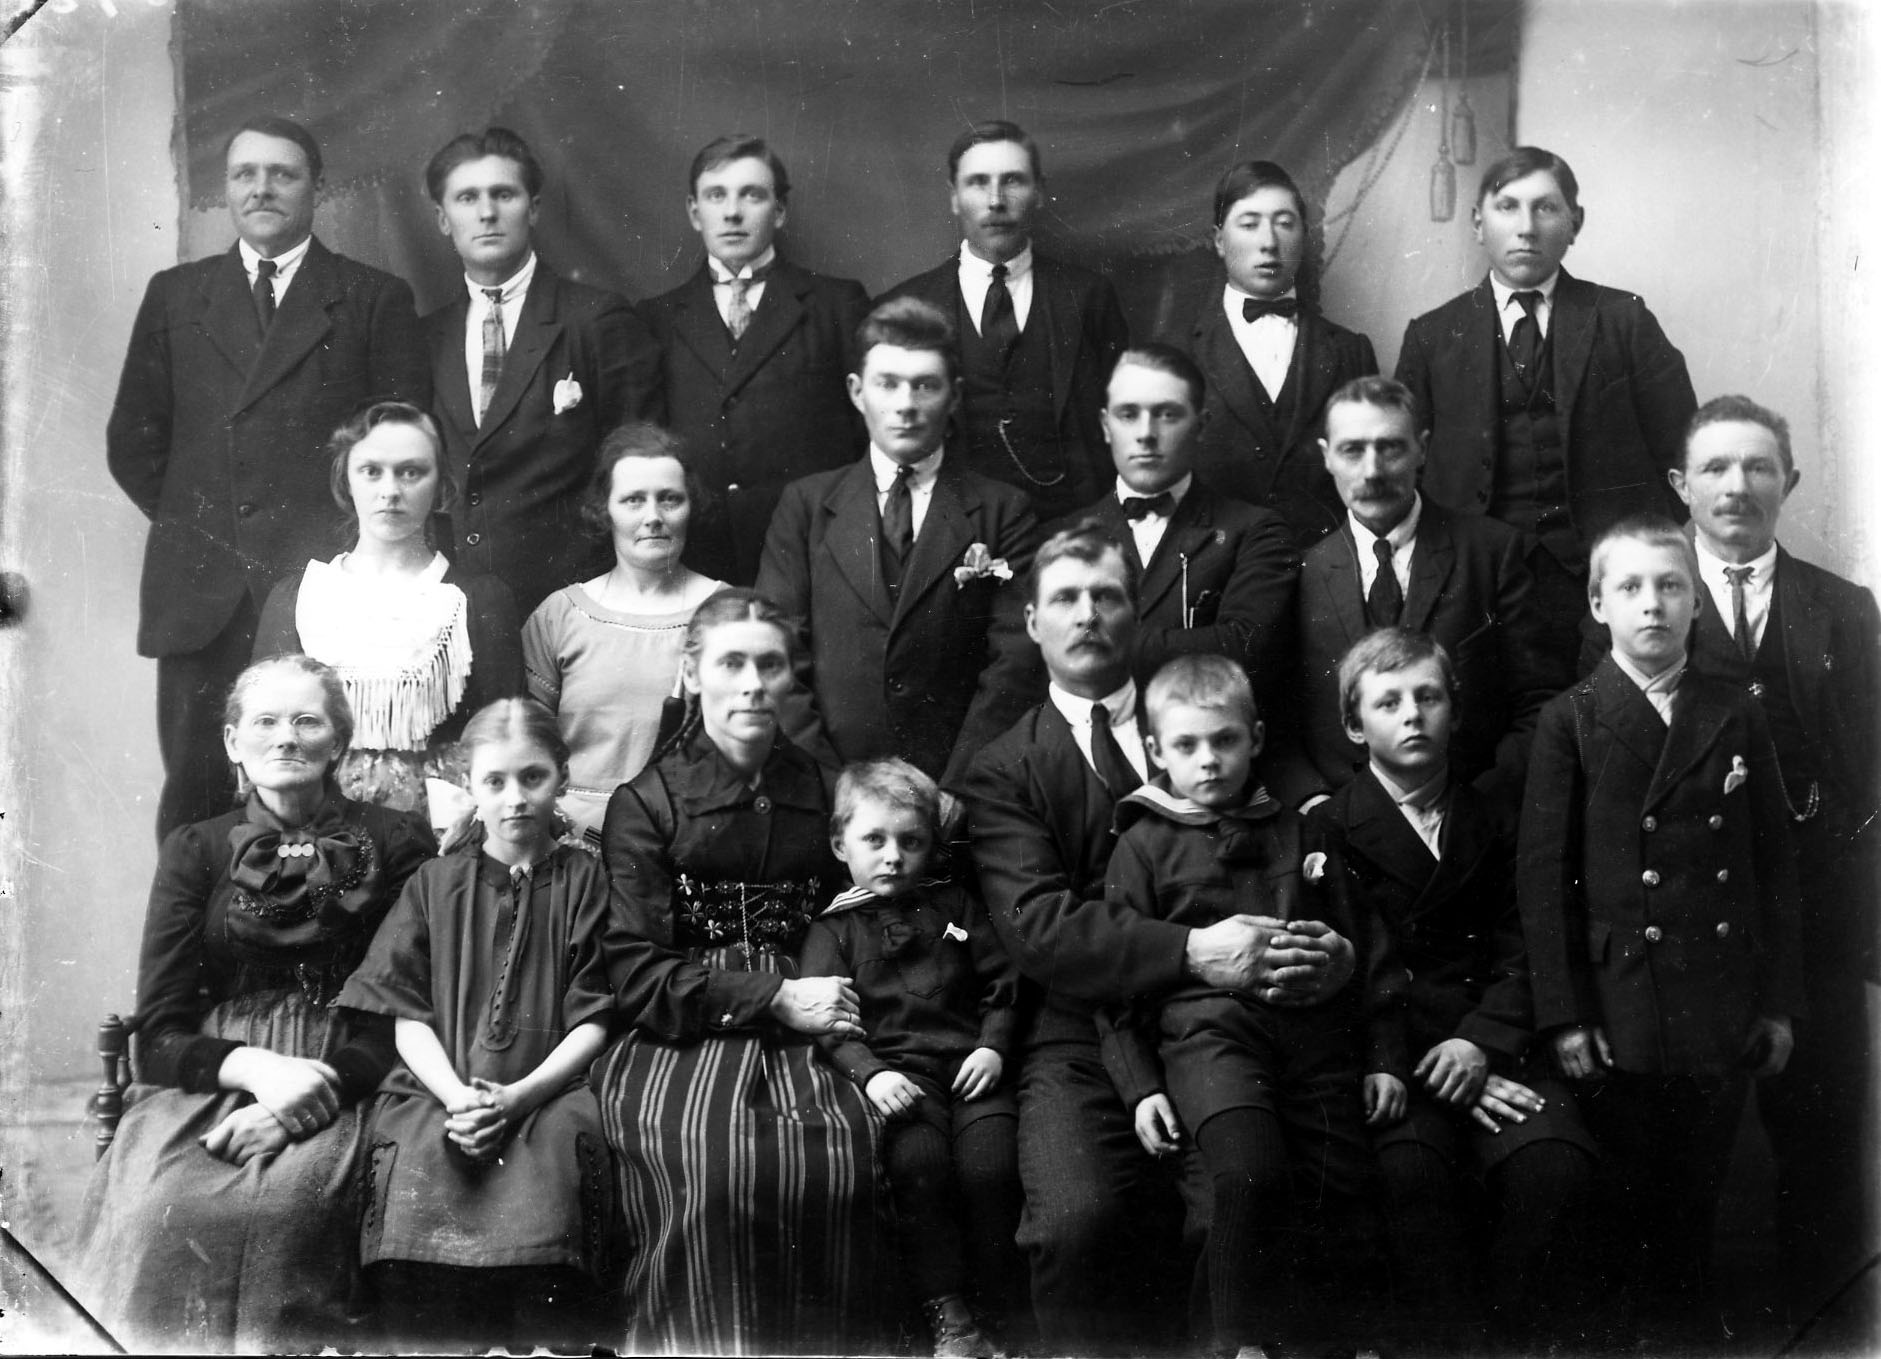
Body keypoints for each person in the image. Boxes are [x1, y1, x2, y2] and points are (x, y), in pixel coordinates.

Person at [958, 523, 1358, 1355]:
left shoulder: (1206, 720)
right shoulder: (1003, 768)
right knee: (1077, 1219)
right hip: (1078, 1029)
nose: (1087, 614)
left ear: (1136, 612)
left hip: (1224, 1022)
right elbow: (1040, 925)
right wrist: (1192, 950)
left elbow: (1298, 841)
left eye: (1106, 595)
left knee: (1244, 1203)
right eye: (1065, 598)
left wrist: (1325, 946)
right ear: (1031, 622)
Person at [70, 655, 436, 1352]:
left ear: (339, 740)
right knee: (156, 1211)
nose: (286, 737)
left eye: (307, 721)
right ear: (233, 742)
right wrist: (262, 1073)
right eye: (265, 721)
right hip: (216, 1080)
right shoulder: (196, 847)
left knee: (291, 1211)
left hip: (353, 1076)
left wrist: (308, 1096)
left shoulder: (394, 840)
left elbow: (410, 1003)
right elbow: (160, 1032)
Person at [1519, 515, 1802, 1349]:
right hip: (1619, 1005)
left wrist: (1776, 1004)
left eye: (1671, 586)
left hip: (1717, 995)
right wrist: (1564, 1015)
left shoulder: (1733, 710)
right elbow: (1543, 879)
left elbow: (1774, 868)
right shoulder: (1569, 719)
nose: (1653, 604)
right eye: (1631, 587)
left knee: (1697, 1192)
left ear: (1696, 602)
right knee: (1627, 1195)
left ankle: (1685, 1336)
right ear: (1597, 602)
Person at [108, 115, 430, 839]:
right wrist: (208, 527)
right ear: (227, 189)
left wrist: (329, 549)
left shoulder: (372, 298)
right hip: (202, 596)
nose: (261, 189)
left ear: (317, 187)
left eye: (282, 174)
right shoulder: (176, 295)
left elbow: (401, 449)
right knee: (196, 800)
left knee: (323, 798)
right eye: (244, 174)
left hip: (320, 588)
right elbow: (133, 444)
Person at [594, 589, 888, 1356]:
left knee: (837, 1159)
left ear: (790, 676)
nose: (753, 684)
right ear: (693, 674)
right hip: (684, 1024)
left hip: (816, 1003)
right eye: (732, 663)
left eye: (769, 664)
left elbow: (859, 916)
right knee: (716, 1170)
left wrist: (815, 992)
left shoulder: (826, 791)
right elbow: (635, 970)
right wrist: (772, 996)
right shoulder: (647, 802)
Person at [1098, 654, 1398, 1356]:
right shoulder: (1141, 847)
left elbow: (1368, 949)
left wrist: (1384, 1056)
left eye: (1224, 739)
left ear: (1256, 738)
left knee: (1338, 1185)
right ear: (1155, 750)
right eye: (1186, 744)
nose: (1208, 760)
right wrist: (1140, 1087)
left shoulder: (1305, 832)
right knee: (1249, 1172)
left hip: (1314, 1042)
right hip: (1210, 1041)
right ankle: (1232, 1343)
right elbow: (1117, 982)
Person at [1653, 396, 1875, 1322]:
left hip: (1815, 918)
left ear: (1789, 480)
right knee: (1681, 1153)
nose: (1735, 486)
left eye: (1755, 467)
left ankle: (1822, 1333)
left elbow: (1870, 772)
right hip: (1689, 918)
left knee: (1821, 1141)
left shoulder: (1843, 608)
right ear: (1681, 485)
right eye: (1714, 467)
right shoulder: (1641, 596)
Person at [1311, 629, 1595, 1353]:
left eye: (1428, 696)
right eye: (1388, 702)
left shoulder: (1498, 817)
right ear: (1353, 725)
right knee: (1408, 1174)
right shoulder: (1327, 829)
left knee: (1553, 1161)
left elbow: (1529, 946)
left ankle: (1504, 1343)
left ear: (1456, 712)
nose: (1412, 714)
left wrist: (1480, 1045)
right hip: (1396, 1062)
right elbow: (1350, 976)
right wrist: (1442, 1057)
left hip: (1496, 1044)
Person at [337, 698, 614, 1350]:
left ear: (562, 777)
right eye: (495, 780)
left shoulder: (588, 881)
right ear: (469, 786)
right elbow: (404, 1012)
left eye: (532, 777)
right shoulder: (434, 883)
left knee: (551, 1197)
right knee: (416, 1194)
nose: (515, 798)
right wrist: (459, 1098)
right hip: (437, 1092)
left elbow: (595, 1017)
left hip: (548, 1094)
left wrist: (517, 1098)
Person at [1397, 146, 1696, 668]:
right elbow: (1405, 470)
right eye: (1507, 207)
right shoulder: (1432, 336)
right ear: (1478, 223)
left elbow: (1685, 456)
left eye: (1546, 208)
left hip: (1602, 580)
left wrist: (1636, 549)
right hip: (1478, 581)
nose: (1526, 228)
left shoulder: (1623, 320)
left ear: (1575, 222)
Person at [757, 296, 1038, 784]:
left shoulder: (1003, 511)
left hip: (954, 789)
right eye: (887, 384)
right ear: (856, 391)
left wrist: (955, 790)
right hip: (830, 786)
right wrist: (830, 785)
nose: (906, 405)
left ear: (954, 396)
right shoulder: (805, 507)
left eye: (925, 385)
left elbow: (1014, 666)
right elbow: (774, 653)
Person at [800, 759, 1023, 1358]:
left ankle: (1003, 1305)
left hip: (973, 1070)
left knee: (991, 1167)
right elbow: (831, 1022)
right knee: (919, 1166)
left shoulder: (957, 905)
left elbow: (1003, 983)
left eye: (911, 841)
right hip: (903, 1079)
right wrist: (872, 1074)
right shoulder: (832, 930)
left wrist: (992, 1045)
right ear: (840, 844)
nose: (893, 857)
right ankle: (947, 1307)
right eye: (874, 840)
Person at [1281, 377, 1564, 810]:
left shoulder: (1492, 553)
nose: (1372, 472)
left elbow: (1542, 701)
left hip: (1474, 816)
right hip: (1340, 823)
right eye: (1352, 450)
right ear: (1327, 457)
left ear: (1422, 449)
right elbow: (1281, 720)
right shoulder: (1304, 573)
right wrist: (1316, 804)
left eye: (1391, 447)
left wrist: (1481, 803)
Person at [421, 127, 662, 616]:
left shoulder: (596, 319)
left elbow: (639, 465)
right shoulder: (428, 335)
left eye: (503, 194)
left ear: (532, 209)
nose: (487, 213)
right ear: (443, 219)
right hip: (454, 602)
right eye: (467, 198)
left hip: (573, 597)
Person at [253, 401, 524, 822]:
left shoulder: (478, 601)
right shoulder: (298, 598)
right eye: (371, 471)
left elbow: (507, 742)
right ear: (346, 479)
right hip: (319, 827)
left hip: (441, 830)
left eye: (411, 472)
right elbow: (262, 736)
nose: (390, 491)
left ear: (441, 484)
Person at [641, 133, 872, 585]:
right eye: (716, 195)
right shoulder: (657, 318)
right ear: (694, 212)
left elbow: (869, 437)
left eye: (751, 195)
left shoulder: (837, 304)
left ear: (779, 210)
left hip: (811, 550)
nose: (732, 212)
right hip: (697, 554)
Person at [879, 119, 1128, 523]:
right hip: (948, 529)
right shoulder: (905, 305)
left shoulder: (1088, 297)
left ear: (1039, 192)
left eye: (1012, 180)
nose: (996, 201)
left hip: (1070, 528)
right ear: (954, 197)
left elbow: (1121, 417)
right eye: (978, 182)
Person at [1037, 344, 1299, 719]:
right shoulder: (1056, 537)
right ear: (1106, 426)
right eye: (1128, 415)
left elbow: (1244, 648)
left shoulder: (1254, 531)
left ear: (1201, 425)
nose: (1146, 434)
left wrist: (1089, 641)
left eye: (1167, 414)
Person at [522, 423, 724, 838]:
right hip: (571, 843)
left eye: (670, 499)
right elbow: (528, 747)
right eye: (633, 500)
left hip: (687, 837)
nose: (653, 517)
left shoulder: (726, 612)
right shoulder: (561, 615)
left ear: (691, 506)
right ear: (605, 511)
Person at [1183, 160, 1379, 549]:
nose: (1269, 243)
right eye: (1249, 223)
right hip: (1215, 568)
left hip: (1325, 569)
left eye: (1284, 223)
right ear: (1219, 241)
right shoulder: (1179, 353)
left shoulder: (1350, 351)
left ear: (1304, 236)